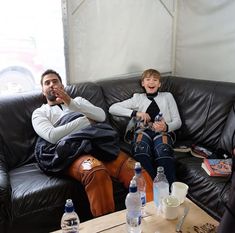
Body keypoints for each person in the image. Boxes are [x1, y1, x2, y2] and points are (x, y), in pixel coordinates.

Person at [31, 69, 153, 217]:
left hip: (96, 144)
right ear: (43, 91)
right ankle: (107, 226)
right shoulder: (40, 113)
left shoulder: (79, 101)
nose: (51, 85)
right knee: (95, 170)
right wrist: (85, 121)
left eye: (55, 81)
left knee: (134, 169)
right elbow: (52, 136)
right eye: (47, 83)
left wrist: (71, 103)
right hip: (71, 152)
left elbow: (101, 116)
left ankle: (154, 216)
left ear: (62, 85)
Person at [109, 69, 182, 185]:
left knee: (163, 150)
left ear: (159, 84)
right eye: (148, 79)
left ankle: (168, 189)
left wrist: (166, 127)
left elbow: (178, 122)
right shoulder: (138, 98)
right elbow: (112, 108)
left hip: (163, 132)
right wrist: (136, 113)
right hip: (143, 130)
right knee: (140, 149)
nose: (151, 82)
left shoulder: (167, 96)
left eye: (155, 80)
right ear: (143, 83)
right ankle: (152, 187)